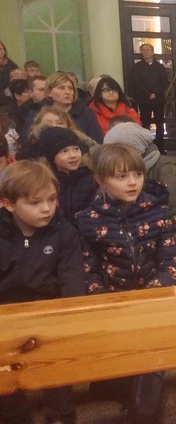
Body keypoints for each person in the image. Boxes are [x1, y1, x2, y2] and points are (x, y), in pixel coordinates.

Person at [77, 143, 176, 423]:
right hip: (112, 302)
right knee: (120, 345)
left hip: (154, 300)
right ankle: (117, 385)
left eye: (137, 174)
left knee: (152, 342)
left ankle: (143, 413)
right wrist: (103, 297)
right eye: (121, 177)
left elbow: (172, 260)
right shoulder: (88, 220)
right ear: (101, 180)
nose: (133, 182)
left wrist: (150, 295)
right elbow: (88, 267)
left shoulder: (158, 212)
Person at [0, 160, 84, 424]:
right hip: (7, 316)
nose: (47, 208)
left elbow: (72, 283)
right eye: (35, 203)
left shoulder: (64, 233)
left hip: (51, 314)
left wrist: (67, 317)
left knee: (58, 360)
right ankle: (14, 413)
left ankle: (60, 413)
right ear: (9, 204)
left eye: (51, 199)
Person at [104, 117, 176, 215]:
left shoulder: (161, 163)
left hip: (157, 216)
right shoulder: (108, 166)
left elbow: (168, 197)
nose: (132, 182)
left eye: (138, 174)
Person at [22, 72, 103, 144]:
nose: (67, 92)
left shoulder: (86, 114)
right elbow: (27, 143)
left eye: (70, 88)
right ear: (49, 92)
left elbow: (97, 143)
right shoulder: (36, 113)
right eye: (61, 88)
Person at [37, 126, 95, 227]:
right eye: (64, 151)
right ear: (52, 158)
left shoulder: (91, 179)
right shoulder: (45, 181)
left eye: (76, 149)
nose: (73, 155)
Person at [129, 43, 168, 151]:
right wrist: (148, 94)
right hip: (144, 100)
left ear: (153, 52)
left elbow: (164, 82)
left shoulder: (160, 67)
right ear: (141, 53)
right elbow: (136, 83)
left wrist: (155, 93)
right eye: (144, 50)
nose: (146, 52)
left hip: (158, 99)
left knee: (160, 124)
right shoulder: (137, 67)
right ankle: (145, 147)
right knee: (145, 124)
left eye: (148, 49)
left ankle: (160, 147)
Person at [0, 41, 19, 107]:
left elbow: (17, 83)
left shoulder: (12, 66)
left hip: (8, 99)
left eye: (0, 49)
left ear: (4, 51)